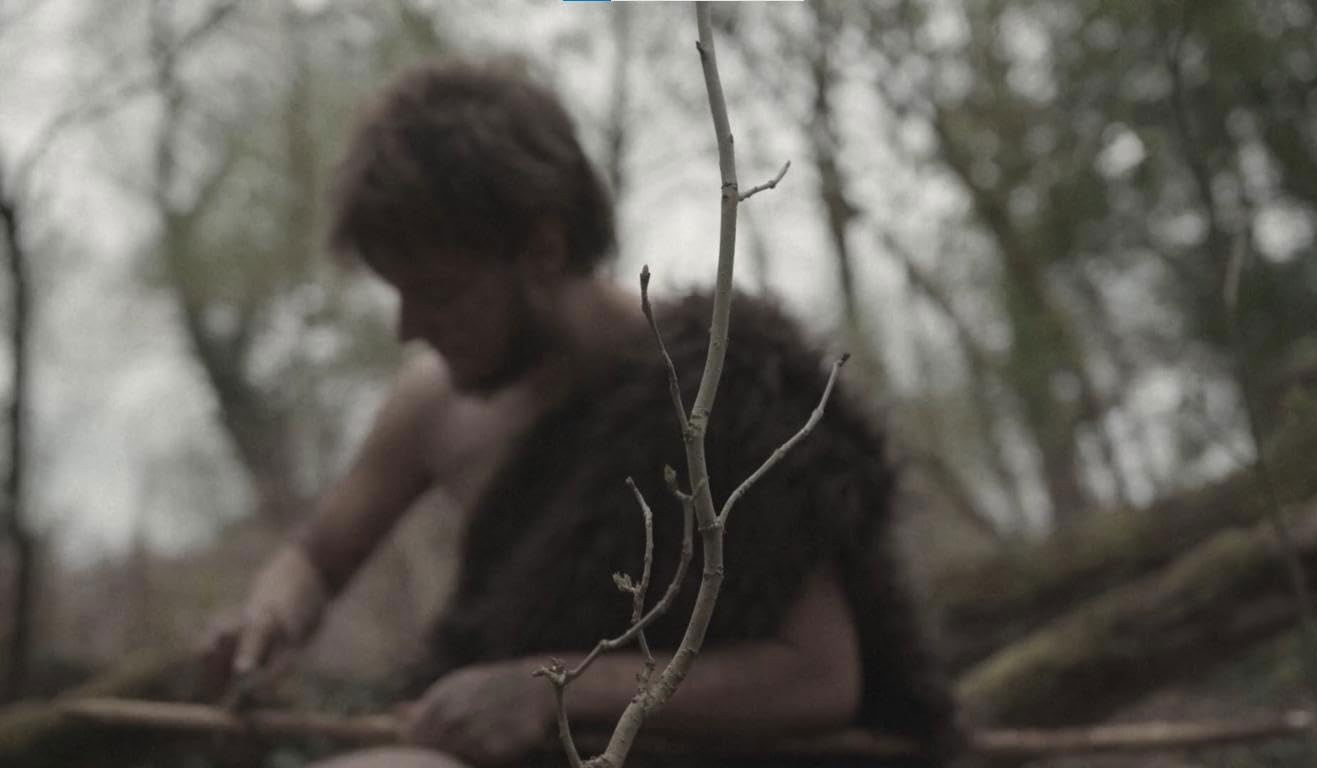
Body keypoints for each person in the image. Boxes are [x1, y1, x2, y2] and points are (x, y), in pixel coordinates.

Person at [206, 57, 957, 768]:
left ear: (542, 250)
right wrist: (270, 618)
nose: (407, 328)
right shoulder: (433, 405)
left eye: (437, 293)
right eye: (396, 293)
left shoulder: (725, 391)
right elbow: (316, 559)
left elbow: (817, 680)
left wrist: (552, 687)